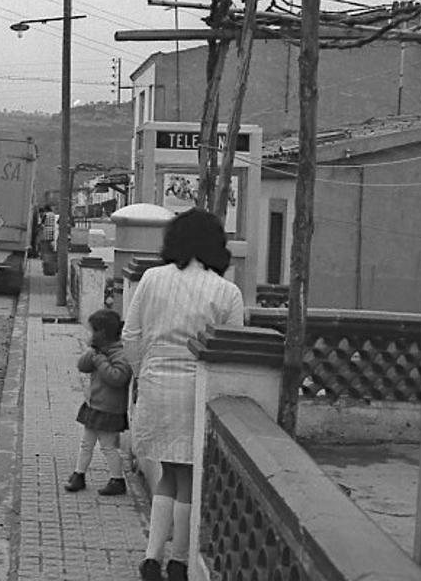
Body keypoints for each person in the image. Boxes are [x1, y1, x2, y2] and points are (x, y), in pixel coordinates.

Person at [123, 208, 243, 581]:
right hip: (197, 389)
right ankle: (178, 561)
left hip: (157, 383)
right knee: (189, 474)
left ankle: (150, 557)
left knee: (167, 474)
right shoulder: (227, 292)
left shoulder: (152, 279)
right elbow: (233, 350)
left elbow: (130, 336)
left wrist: (142, 372)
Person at [64, 308, 132, 496]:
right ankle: (79, 474)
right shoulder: (99, 351)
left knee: (108, 446)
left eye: (94, 331)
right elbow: (82, 366)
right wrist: (92, 351)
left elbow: (117, 378)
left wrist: (100, 358)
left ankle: (117, 479)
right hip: (94, 405)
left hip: (109, 409)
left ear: (103, 333)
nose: (91, 334)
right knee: (86, 443)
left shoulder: (120, 354)